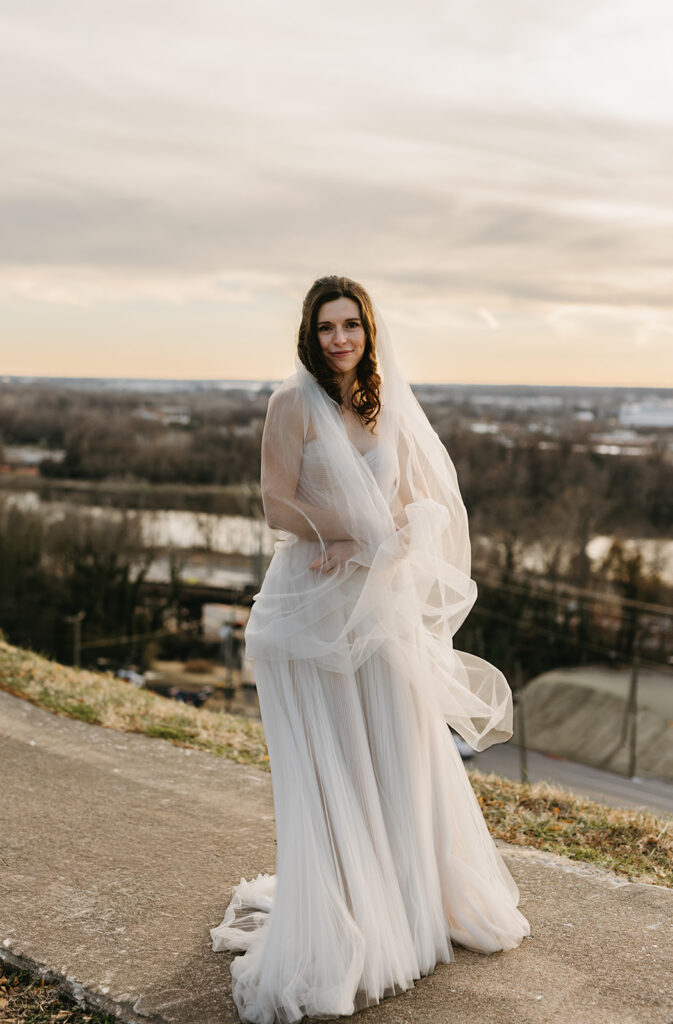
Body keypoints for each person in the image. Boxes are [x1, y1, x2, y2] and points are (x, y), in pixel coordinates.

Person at [210, 275, 531, 1023]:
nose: (339, 339)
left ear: (368, 330)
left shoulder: (383, 404)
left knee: (397, 752)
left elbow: (421, 497)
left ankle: (407, 905)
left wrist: (395, 536)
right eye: (325, 328)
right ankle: (348, 912)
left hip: (375, 608)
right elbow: (275, 502)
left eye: (350, 325)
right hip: (308, 608)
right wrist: (350, 532)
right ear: (309, 335)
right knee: (332, 765)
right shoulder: (290, 404)